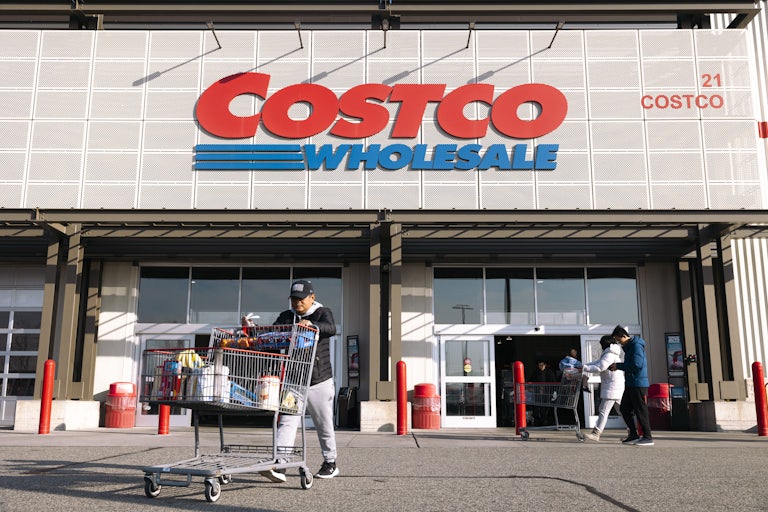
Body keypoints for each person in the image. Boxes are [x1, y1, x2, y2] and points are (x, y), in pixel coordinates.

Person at [260, 279, 339, 481]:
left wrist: (312, 325)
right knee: (287, 421)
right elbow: (273, 334)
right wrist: (255, 331)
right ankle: (280, 463)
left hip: (319, 380)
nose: (297, 303)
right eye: (294, 299)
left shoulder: (322, 312)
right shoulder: (287, 316)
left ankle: (330, 462)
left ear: (312, 297)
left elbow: (331, 328)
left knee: (323, 423)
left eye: (301, 299)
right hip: (294, 381)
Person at [609, 325, 653, 446]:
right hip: (631, 384)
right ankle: (633, 435)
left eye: (619, 340)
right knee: (624, 409)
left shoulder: (636, 346)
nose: (619, 343)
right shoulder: (630, 347)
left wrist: (618, 366)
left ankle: (647, 437)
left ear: (624, 336)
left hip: (638, 384)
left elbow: (636, 365)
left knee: (640, 410)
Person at [581, 335, 625, 442]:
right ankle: (633, 432)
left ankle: (596, 433)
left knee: (603, 410)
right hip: (616, 386)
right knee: (623, 411)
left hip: (612, 387)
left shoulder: (609, 355)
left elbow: (600, 367)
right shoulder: (610, 354)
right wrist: (584, 365)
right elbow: (597, 362)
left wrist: (584, 367)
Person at [528, 359, 557, 426]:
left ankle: (544, 419)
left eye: (542, 365)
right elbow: (531, 380)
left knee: (545, 407)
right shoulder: (536, 373)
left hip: (547, 392)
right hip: (537, 392)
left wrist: (552, 391)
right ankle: (537, 419)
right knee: (536, 406)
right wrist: (530, 386)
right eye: (539, 365)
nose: (540, 366)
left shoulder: (549, 372)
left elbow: (553, 382)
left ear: (545, 365)